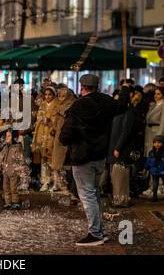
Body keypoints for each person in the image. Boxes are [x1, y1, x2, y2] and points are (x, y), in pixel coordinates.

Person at [59, 74, 130, 246]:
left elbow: (65, 135)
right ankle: (99, 231)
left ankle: (95, 234)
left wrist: (65, 139)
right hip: (99, 156)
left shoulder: (78, 106)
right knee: (94, 193)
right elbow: (122, 105)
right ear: (96, 86)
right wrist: (125, 89)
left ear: (81, 87)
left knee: (87, 195)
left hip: (82, 156)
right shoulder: (106, 102)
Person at [47, 85, 76, 192]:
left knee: (67, 164)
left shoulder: (71, 106)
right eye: (60, 96)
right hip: (58, 137)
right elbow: (56, 122)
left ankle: (68, 185)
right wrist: (53, 128)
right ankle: (57, 183)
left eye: (63, 96)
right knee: (56, 163)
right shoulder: (58, 106)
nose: (61, 98)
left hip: (67, 138)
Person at [31, 87, 55, 191]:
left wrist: (50, 120)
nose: (47, 96)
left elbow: (57, 120)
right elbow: (38, 120)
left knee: (52, 160)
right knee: (43, 160)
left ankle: (54, 181)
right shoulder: (42, 105)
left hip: (51, 136)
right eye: (46, 94)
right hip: (42, 135)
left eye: (50, 94)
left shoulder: (56, 105)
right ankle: (45, 181)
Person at [0, 130, 25, 210]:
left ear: (14, 138)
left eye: (9, 136)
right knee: (6, 188)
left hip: (14, 172)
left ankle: (15, 202)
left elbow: (21, 160)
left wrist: (22, 170)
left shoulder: (17, 148)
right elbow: (0, 159)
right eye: (6, 136)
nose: (6, 138)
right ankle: (8, 202)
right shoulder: (5, 148)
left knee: (14, 188)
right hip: (6, 172)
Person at [144, 135, 164, 203]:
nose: (157, 144)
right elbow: (148, 160)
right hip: (154, 170)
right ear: (153, 143)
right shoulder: (152, 152)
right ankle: (154, 196)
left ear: (162, 143)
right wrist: (145, 168)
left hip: (163, 170)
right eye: (155, 142)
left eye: (159, 142)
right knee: (154, 184)